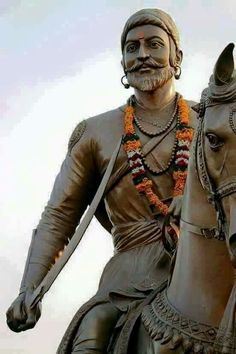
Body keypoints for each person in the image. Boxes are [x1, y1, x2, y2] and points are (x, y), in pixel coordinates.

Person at [6, 8, 197, 354]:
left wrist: (196, 206)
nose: (142, 56)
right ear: (123, 63)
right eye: (131, 48)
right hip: (128, 276)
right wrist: (30, 288)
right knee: (92, 330)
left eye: (154, 45)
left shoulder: (209, 124)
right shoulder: (95, 134)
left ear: (176, 56)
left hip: (201, 264)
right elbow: (59, 216)